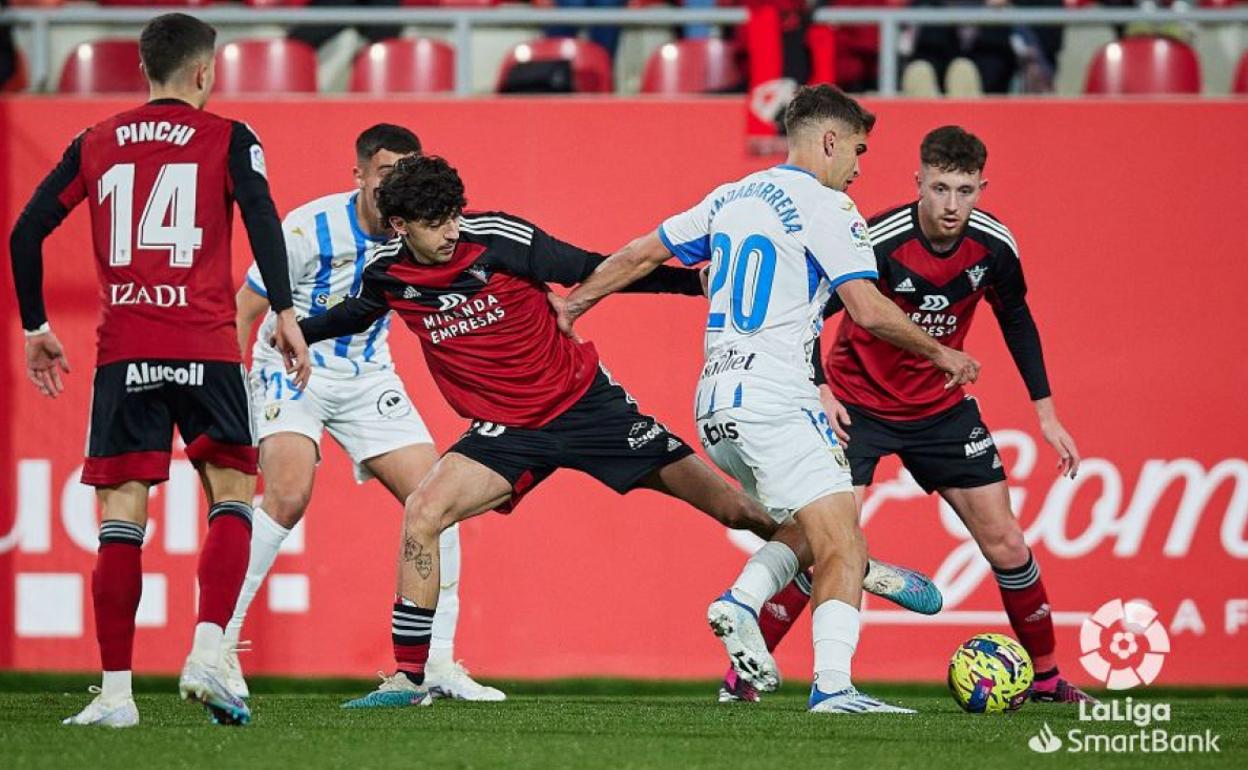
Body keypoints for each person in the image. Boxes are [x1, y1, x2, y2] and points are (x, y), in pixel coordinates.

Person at [297, 154, 940, 708]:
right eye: (435, 225)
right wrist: (300, 326)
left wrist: (692, 285)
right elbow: (358, 312)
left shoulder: (500, 240)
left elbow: (594, 264)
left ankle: (853, 561)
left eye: (454, 217)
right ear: (401, 225)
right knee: (423, 511)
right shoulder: (388, 272)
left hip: (589, 409)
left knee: (736, 508)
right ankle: (409, 678)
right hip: (506, 431)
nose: (449, 233)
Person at [558, 84, 979, 713]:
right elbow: (866, 309)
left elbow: (644, 253)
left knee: (807, 530)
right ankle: (833, 686)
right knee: (843, 541)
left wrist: (574, 302)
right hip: (776, 393)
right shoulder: (832, 209)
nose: (860, 167)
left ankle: (741, 600)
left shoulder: (731, 196)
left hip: (714, 400)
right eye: (858, 151)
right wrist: (942, 353)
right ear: (831, 141)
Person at [8, 13, 309, 727]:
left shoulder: (96, 140)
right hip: (204, 346)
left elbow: (25, 230)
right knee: (233, 495)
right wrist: (287, 313)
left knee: (120, 520)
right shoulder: (229, 136)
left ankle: (115, 697)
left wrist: (36, 327)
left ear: (145, 69)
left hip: (126, 350)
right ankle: (208, 650)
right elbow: (262, 215)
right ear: (205, 71)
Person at [814, 125, 1093, 703]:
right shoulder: (879, 241)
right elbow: (813, 309)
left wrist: (1047, 414)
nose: (951, 205)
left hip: (940, 409)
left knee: (1008, 544)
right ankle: (746, 678)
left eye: (965, 191)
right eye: (940, 188)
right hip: (858, 405)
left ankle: (1047, 680)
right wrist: (820, 387)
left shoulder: (993, 247)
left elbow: (1017, 319)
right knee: (828, 542)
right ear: (918, 181)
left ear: (981, 188)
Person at [227, 124, 502, 702]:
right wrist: (228, 394)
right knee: (288, 492)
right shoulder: (307, 228)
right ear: (358, 176)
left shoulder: (422, 229)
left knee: (439, 497)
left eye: (405, 171)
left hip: (366, 376)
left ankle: (439, 663)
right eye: (384, 172)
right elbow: (244, 309)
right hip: (288, 366)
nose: (395, 183)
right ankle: (219, 647)